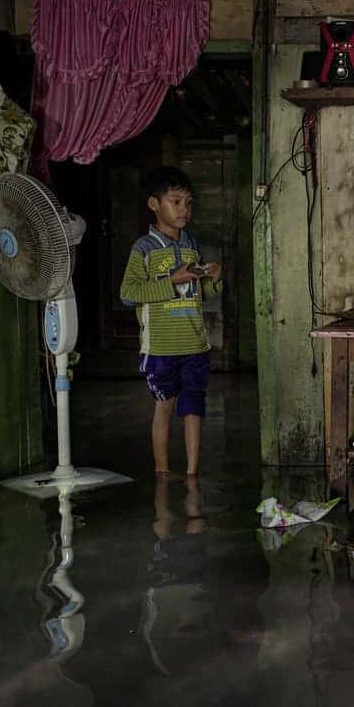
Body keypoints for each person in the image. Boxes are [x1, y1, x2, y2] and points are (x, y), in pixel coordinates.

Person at [119, 167, 224, 476]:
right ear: (154, 204)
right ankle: (162, 472)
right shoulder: (144, 249)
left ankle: (192, 472)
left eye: (188, 203)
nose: (184, 210)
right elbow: (128, 294)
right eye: (175, 202)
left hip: (194, 343)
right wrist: (171, 280)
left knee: (194, 409)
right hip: (162, 347)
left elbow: (199, 294)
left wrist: (215, 279)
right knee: (164, 407)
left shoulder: (191, 246)